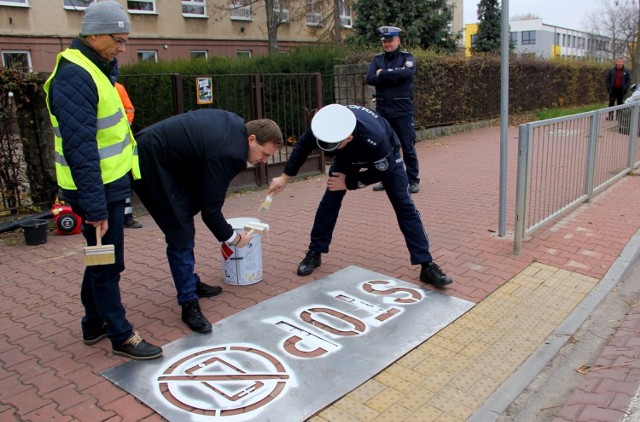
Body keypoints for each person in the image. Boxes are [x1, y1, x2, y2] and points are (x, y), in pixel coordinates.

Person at [43, 0, 162, 360]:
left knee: (100, 258)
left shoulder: (95, 67)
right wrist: (95, 207)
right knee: (109, 263)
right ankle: (120, 334)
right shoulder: (75, 76)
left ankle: (93, 323)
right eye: (118, 39)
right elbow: (81, 149)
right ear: (93, 33)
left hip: (107, 186)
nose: (122, 48)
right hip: (94, 191)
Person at [267, 104, 452, 289]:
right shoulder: (323, 125)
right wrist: (285, 177)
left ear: (348, 137)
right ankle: (315, 252)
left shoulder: (375, 137)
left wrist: (349, 183)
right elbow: (301, 148)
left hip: (386, 158)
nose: (329, 152)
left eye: (333, 147)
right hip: (347, 158)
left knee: (404, 206)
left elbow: (383, 171)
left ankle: (427, 266)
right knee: (328, 204)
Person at [133, 109, 283, 333]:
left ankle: (190, 282)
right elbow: (211, 212)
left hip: (166, 158)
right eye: (265, 154)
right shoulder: (230, 153)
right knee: (180, 232)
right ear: (251, 139)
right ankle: (188, 303)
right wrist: (234, 238)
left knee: (186, 212)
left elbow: (205, 197)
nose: (264, 161)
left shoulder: (235, 126)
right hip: (149, 160)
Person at [366, 26, 420, 194]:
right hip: (383, 111)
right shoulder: (378, 59)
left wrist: (383, 74)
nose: (387, 44)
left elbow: (407, 73)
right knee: (385, 147)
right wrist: (392, 75)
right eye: (385, 41)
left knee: (407, 146)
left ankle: (413, 180)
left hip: (403, 111)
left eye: (390, 41)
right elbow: (370, 78)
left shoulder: (407, 57)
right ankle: (387, 179)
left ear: (398, 40)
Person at [114, 82, 143, 229]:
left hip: (119, 141)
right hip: (105, 144)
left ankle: (127, 218)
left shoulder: (117, 88)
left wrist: (122, 128)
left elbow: (129, 110)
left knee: (123, 181)